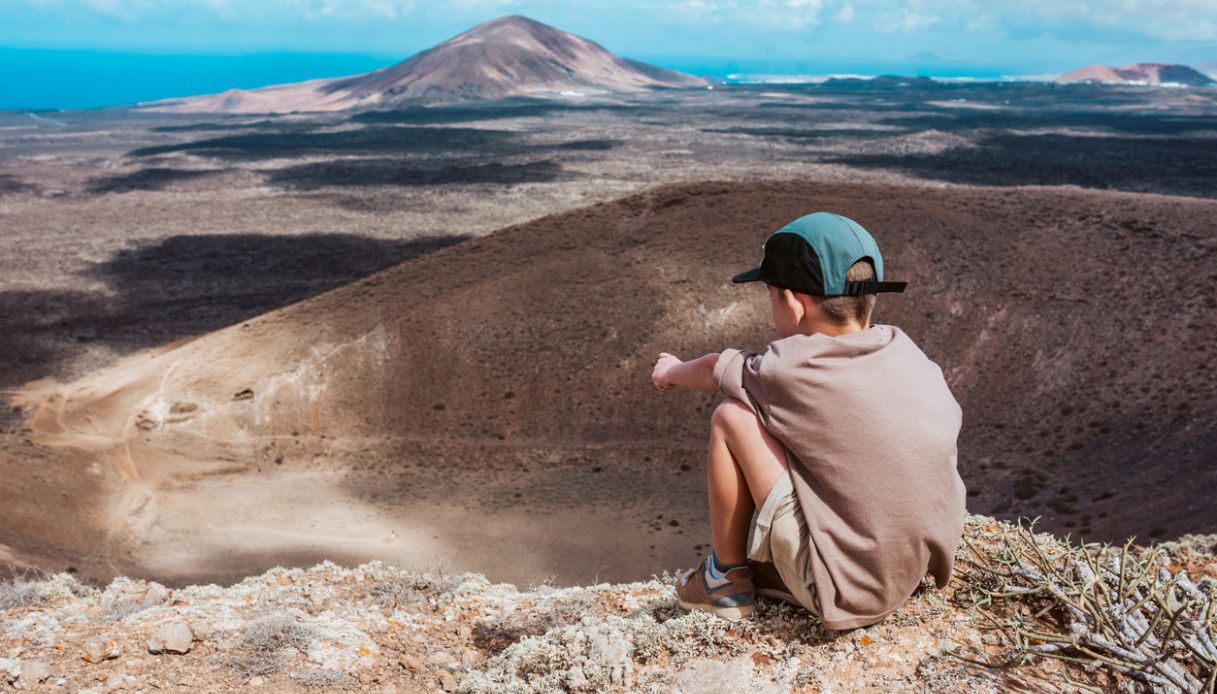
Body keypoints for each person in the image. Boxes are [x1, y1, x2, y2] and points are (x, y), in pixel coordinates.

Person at [650, 212, 966, 630]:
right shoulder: (907, 353)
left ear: (794, 304)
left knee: (733, 416)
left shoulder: (790, 367)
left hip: (847, 591)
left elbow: (715, 369)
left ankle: (724, 578)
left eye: (772, 296)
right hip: (918, 568)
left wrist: (669, 371)